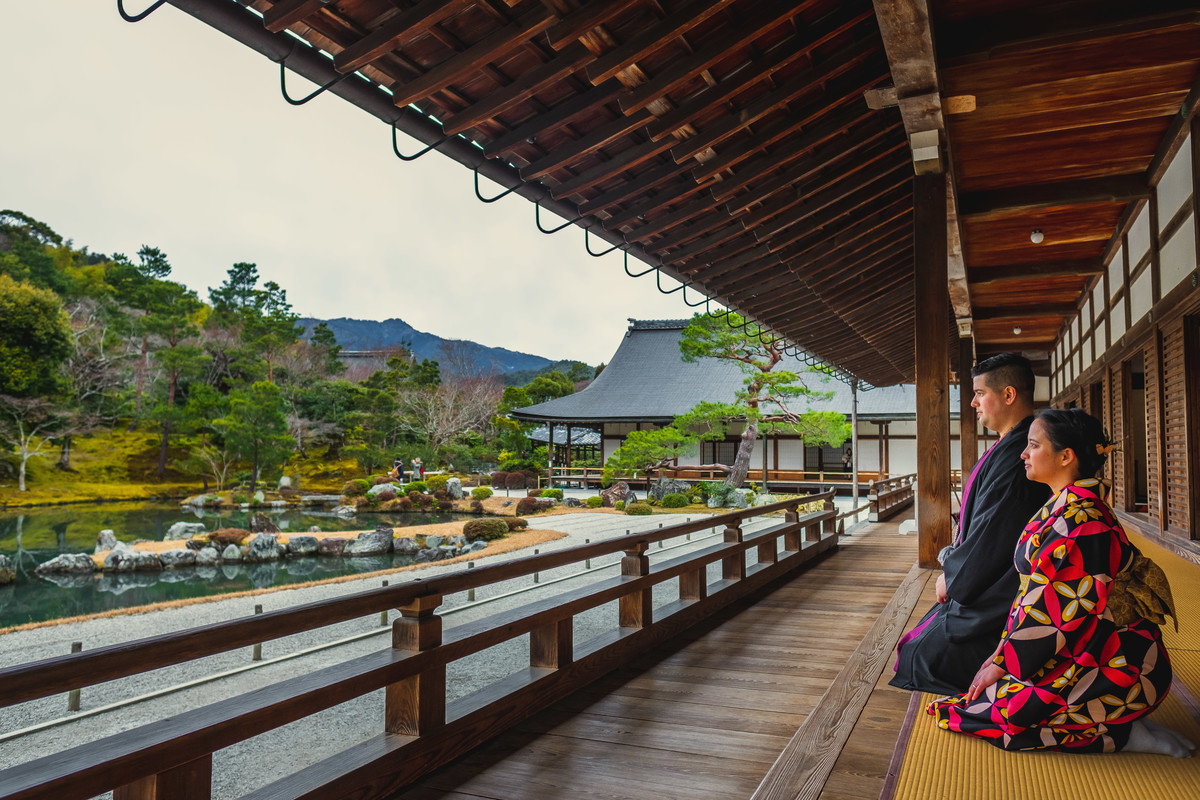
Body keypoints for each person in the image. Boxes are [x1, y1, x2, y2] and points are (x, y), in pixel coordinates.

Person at [928, 408, 1191, 756]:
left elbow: (1054, 612)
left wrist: (1001, 662)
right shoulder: (1066, 504)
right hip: (1078, 642)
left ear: (1066, 456)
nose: (1023, 454)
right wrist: (1001, 654)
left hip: (1114, 661)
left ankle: (1122, 732)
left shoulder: (1082, 517)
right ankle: (1112, 720)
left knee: (1003, 718)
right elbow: (1037, 600)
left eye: (1033, 445)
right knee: (976, 697)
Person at [892, 353, 1051, 694]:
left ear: (1008, 395)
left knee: (921, 658)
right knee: (916, 643)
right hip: (984, 575)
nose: (973, 401)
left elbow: (992, 536)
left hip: (1002, 590)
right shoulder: (1012, 446)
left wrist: (952, 572)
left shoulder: (1018, 458)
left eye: (980, 393)